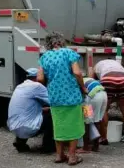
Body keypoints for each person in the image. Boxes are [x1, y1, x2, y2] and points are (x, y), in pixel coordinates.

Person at [37, 32, 86, 165]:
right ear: (62, 42)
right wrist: (83, 87)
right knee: (74, 125)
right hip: (71, 96)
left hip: (55, 97)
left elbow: (40, 78)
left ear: (48, 44)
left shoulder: (44, 57)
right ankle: (72, 156)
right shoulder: (68, 53)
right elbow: (76, 72)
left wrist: (50, 84)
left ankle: (59, 155)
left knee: (58, 125)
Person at [7, 68, 54, 153]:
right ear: (37, 77)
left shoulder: (20, 86)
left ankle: (20, 142)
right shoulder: (37, 86)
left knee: (29, 116)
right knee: (52, 114)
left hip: (13, 127)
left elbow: (28, 108)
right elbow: (53, 102)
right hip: (28, 128)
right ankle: (47, 146)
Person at [89, 59, 124, 145]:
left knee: (104, 110)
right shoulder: (118, 65)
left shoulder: (97, 65)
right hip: (123, 78)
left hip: (107, 78)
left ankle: (103, 138)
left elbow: (91, 81)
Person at [79, 77, 108, 152]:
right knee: (97, 120)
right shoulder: (88, 78)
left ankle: (85, 147)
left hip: (92, 97)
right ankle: (96, 146)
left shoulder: (77, 80)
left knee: (87, 122)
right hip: (104, 95)